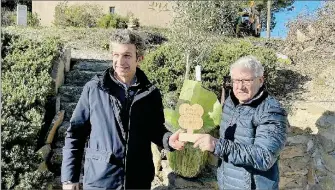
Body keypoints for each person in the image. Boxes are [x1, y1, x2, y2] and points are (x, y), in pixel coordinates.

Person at [61, 29, 185, 190]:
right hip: (100, 181)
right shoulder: (94, 89)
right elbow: (75, 134)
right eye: (116, 55)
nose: (120, 61)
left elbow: (155, 130)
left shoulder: (150, 93)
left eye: (127, 55)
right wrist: (69, 178)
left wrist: (168, 140)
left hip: (137, 181)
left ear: (139, 59)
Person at [194, 56, 288, 189]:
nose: (240, 87)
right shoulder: (230, 103)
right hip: (227, 183)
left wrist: (217, 145)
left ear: (261, 80)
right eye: (236, 81)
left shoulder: (271, 110)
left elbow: (264, 157)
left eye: (246, 80)